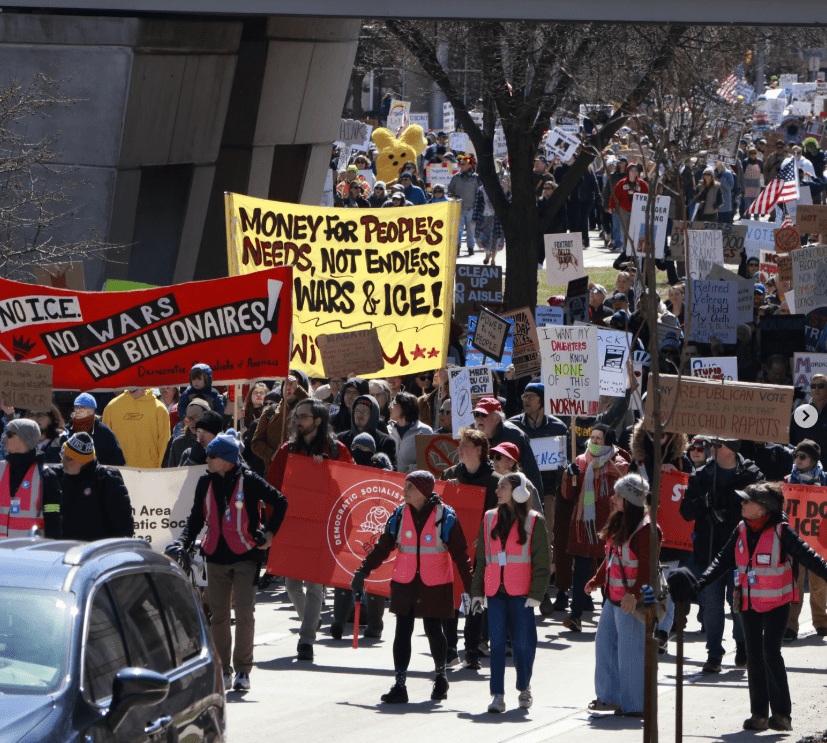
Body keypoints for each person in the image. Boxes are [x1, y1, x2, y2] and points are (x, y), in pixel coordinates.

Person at [669, 482, 827, 732]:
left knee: (770, 653)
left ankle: (782, 715)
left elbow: (810, 557)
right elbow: (722, 559)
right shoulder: (741, 527)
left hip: (777, 602)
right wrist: (699, 584)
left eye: (746, 501)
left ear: (763, 509)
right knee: (754, 656)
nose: (741, 504)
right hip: (748, 602)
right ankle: (759, 716)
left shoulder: (782, 531)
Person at [172, 430, 287, 692]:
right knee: (219, 616)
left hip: (246, 555)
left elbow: (280, 501)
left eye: (211, 456)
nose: (207, 459)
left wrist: (269, 533)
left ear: (226, 459)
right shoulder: (204, 483)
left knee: (245, 613)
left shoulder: (250, 480)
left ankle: (243, 671)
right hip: (215, 557)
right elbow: (195, 519)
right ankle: (223, 670)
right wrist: (183, 542)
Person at [350, 470, 473, 704]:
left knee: (434, 631)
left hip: (435, 583)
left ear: (424, 492)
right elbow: (383, 547)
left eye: (410, 488)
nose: (404, 491)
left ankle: (441, 677)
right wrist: (363, 571)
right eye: (405, 487)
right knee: (401, 632)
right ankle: (400, 684)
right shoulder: (399, 515)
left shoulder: (446, 517)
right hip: (405, 581)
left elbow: (461, 555)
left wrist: (471, 588)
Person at [267, 398, 353, 661]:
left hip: (321, 528)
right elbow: (272, 486)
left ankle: (306, 641)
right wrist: (272, 527)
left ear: (317, 420)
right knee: (292, 586)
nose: (297, 421)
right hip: (293, 526)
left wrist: (326, 471)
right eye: (296, 417)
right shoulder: (287, 449)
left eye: (303, 416)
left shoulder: (337, 451)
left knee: (315, 587)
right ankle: (310, 621)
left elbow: (349, 487)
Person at [679, 438, 762, 672]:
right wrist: (702, 503)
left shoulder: (751, 474)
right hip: (709, 552)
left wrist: (731, 515)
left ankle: (742, 644)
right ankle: (714, 654)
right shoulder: (701, 475)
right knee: (712, 605)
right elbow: (685, 511)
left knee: (738, 604)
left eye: (718, 445)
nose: (712, 448)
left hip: (741, 553)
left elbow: (762, 508)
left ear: (732, 448)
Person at [471, 472, 550, 713]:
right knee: (496, 645)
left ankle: (524, 687)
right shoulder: (488, 518)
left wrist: (537, 593)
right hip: (495, 592)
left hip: (522, 594)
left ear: (519, 492)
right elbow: (482, 559)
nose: (497, 491)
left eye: (502, 487)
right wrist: (477, 592)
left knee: (523, 644)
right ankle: (497, 695)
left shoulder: (534, 521)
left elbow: (543, 562)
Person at [586, 474, 660, 717]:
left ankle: (636, 705)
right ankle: (609, 698)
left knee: (630, 653)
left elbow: (647, 570)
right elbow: (611, 559)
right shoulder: (620, 522)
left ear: (629, 500)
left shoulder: (646, 529)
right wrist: (597, 581)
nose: (613, 498)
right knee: (604, 644)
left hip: (631, 601)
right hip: (614, 597)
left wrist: (632, 594)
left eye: (618, 495)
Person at [560, 423, 631, 632]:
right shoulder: (580, 462)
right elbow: (569, 495)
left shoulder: (620, 466)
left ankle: (611, 616)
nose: (594, 441)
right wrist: (568, 476)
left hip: (610, 526)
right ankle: (575, 615)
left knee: (609, 570)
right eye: (592, 438)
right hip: (585, 526)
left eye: (599, 438)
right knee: (581, 571)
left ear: (608, 441)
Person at [440, 427, 501, 669]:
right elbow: (438, 509)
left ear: (478, 450)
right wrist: (447, 489)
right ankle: (450, 649)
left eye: (464, 445)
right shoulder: (450, 474)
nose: (459, 449)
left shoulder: (496, 482)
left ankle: (472, 650)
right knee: (451, 598)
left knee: (475, 602)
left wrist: (484, 536)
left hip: (481, 553)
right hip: (453, 551)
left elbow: (500, 519)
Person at [507, 381, 567, 614]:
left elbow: (563, 462)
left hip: (547, 493)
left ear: (542, 401)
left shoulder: (558, 427)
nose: (526, 399)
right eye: (524, 395)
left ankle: (542, 592)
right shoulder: (512, 426)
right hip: (516, 493)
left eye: (531, 396)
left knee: (543, 542)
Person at [329, 432, 389, 641]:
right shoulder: (345, 468)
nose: (359, 452)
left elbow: (388, 489)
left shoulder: (381, 466)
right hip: (349, 528)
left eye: (365, 449)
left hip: (376, 530)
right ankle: (339, 619)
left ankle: (375, 624)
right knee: (344, 573)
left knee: (375, 575)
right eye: (356, 447)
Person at [783, 439, 827, 640]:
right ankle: (791, 625)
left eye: (802, 456)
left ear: (813, 459)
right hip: (795, 539)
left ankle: (821, 621)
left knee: (819, 583)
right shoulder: (788, 481)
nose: (797, 460)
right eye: (796, 456)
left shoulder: (825, 481)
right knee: (795, 582)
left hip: (820, 539)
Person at [55, 432, 133, 541]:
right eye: (62, 456)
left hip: (97, 553)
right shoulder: (56, 476)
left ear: (83, 461)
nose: (62, 462)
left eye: (68, 458)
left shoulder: (106, 479)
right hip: (64, 552)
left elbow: (123, 526)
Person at [473, 397, 543, 504]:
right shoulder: (475, 437)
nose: (479, 418)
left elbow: (530, 471)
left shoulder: (515, 436)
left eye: (484, 414)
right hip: (487, 496)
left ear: (497, 418)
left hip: (513, 499)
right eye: (476, 414)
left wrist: (535, 503)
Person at [0, 419, 61, 538]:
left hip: (30, 553)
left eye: (9, 434)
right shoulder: (1, 469)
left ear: (24, 438)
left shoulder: (46, 476)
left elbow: (53, 518)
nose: (4, 437)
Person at [252, 369, 311, 465]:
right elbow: (256, 443)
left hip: (300, 471)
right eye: (286, 383)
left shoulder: (309, 413)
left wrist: (298, 391)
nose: (288, 387)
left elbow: (314, 408)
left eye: (293, 384)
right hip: (273, 472)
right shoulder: (270, 412)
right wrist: (272, 454)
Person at [102, 387, 170, 468]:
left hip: (150, 475)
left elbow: (164, 446)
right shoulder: (111, 407)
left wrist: (159, 474)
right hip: (120, 474)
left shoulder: (160, 409)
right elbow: (105, 445)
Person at [62, 393, 125, 466]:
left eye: (82, 408)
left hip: (98, 475)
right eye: (76, 407)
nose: (77, 411)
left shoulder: (104, 432)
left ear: (91, 411)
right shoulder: (67, 430)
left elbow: (117, 460)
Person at [337, 394, 397, 470]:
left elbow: (391, 472)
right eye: (357, 411)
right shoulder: (341, 439)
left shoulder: (386, 442)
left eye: (365, 411)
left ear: (373, 415)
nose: (359, 415)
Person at [388, 391, 433, 473]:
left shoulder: (425, 430)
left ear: (405, 407)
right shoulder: (387, 430)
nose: (389, 407)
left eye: (394, 403)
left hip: (413, 482)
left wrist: (412, 470)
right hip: (389, 482)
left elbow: (429, 459)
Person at [447, 155, 480, 255]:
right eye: (460, 164)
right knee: (458, 229)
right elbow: (450, 189)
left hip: (472, 208)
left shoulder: (476, 178)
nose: (460, 166)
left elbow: (480, 192)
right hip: (458, 208)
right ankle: (457, 249)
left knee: (471, 230)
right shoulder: (456, 177)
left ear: (469, 165)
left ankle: (471, 249)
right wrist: (453, 197)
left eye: (463, 164)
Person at [163, 399, 210, 468]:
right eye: (188, 418)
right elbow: (170, 472)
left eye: (195, 417)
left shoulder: (215, 443)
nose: (191, 422)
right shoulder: (178, 443)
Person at [790, 373, 827, 458]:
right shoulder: (800, 412)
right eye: (813, 386)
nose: (816, 389)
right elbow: (789, 440)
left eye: (821, 386)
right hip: (804, 467)